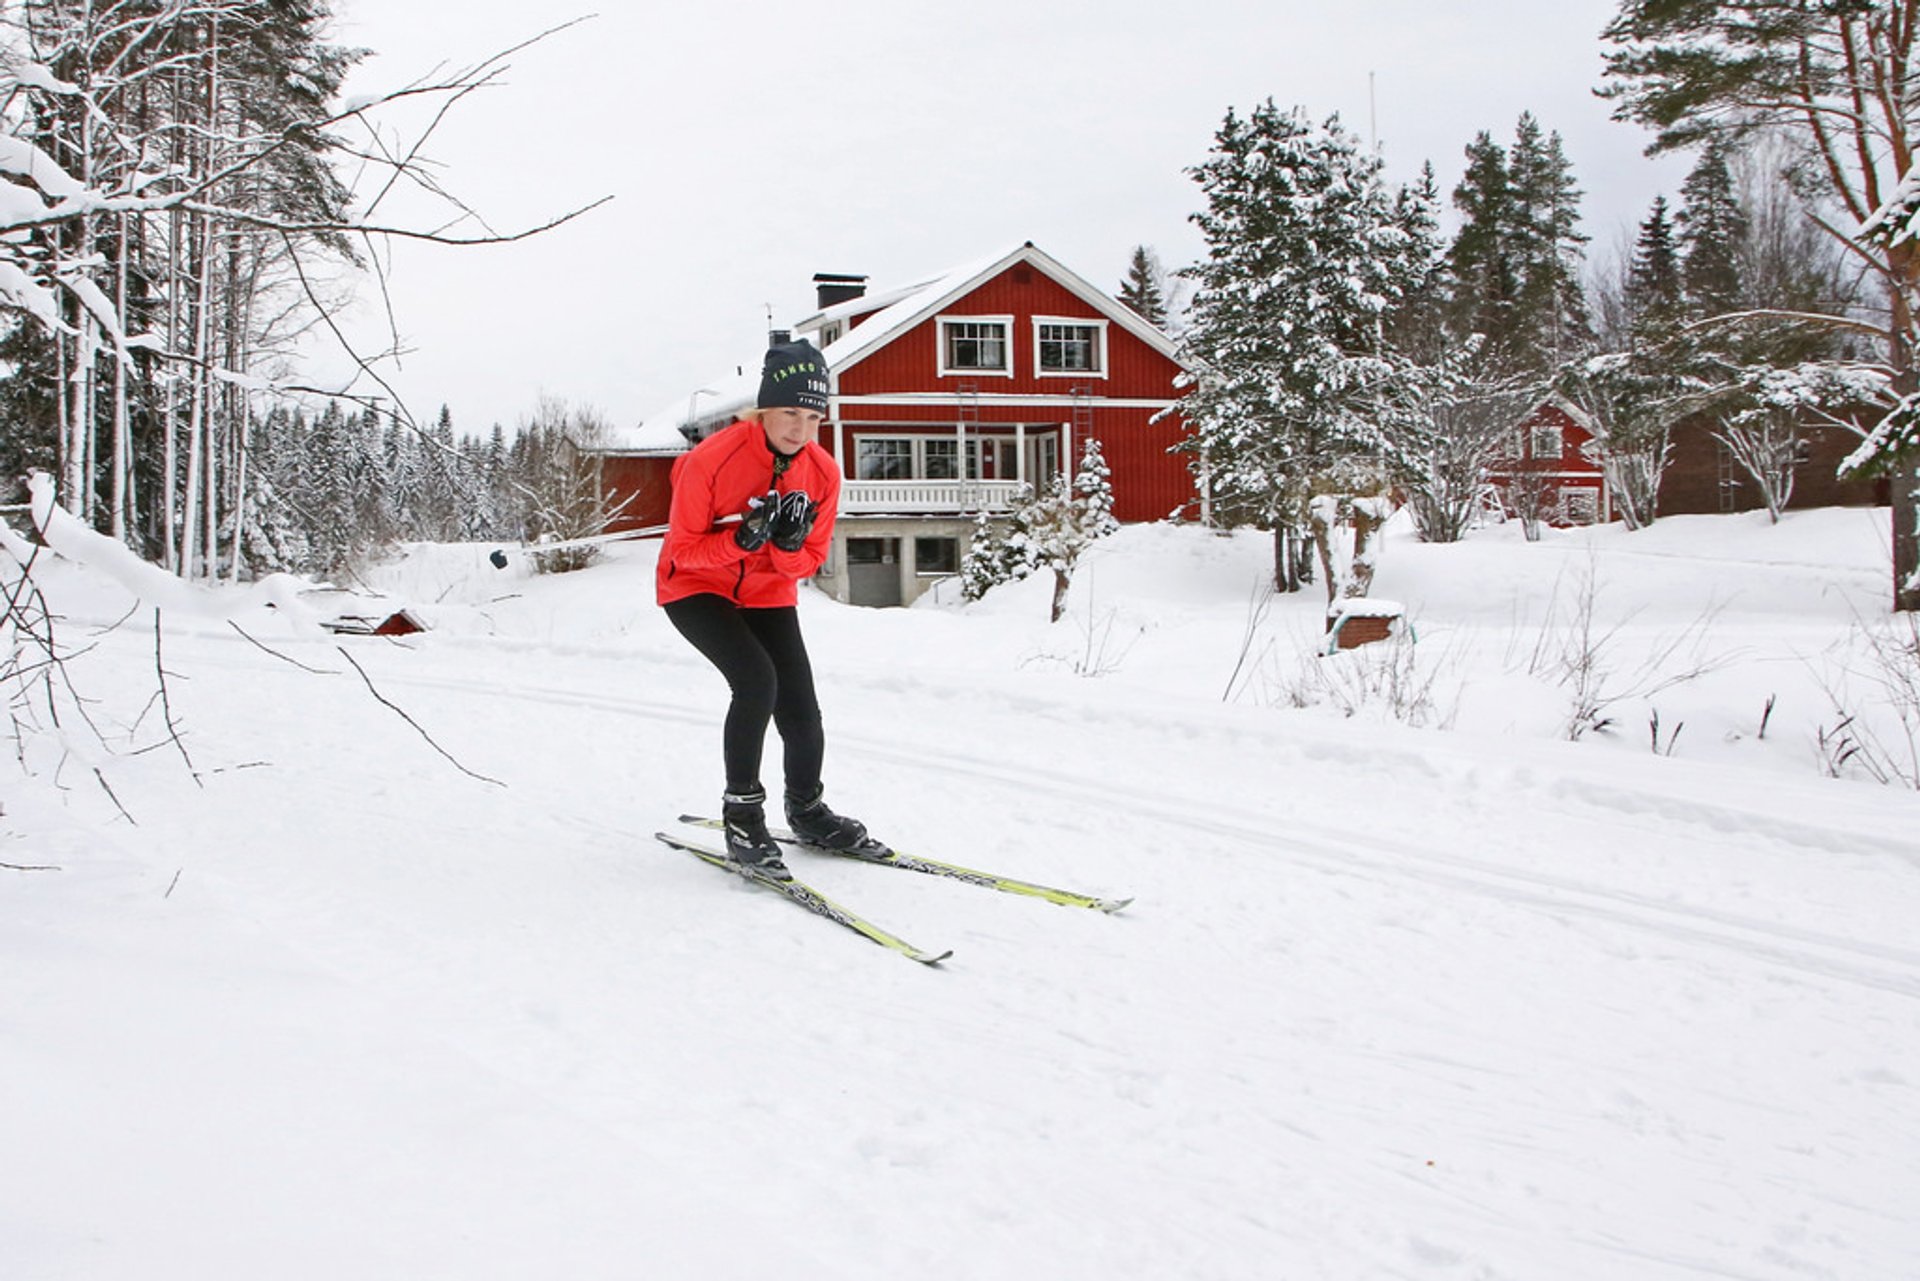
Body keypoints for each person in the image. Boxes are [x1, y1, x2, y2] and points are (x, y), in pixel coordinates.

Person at [657, 338, 873, 880]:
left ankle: (807, 811)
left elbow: (809, 563)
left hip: (766, 590)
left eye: (812, 417)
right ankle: (742, 816)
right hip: (694, 587)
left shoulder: (822, 474)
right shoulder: (710, 460)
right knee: (755, 681)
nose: (800, 429)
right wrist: (742, 542)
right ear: (763, 409)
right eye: (789, 414)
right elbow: (682, 550)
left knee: (799, 702)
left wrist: (784, 545)